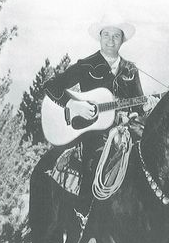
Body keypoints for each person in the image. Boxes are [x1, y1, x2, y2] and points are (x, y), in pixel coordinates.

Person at [42, 13, 158, 199]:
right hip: (94, 134)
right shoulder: (86, 65)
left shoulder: (130, 70)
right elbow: (51, 86)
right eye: (106, 35)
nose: (111, 40)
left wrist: (146, 106)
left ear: (122, 40)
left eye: (116, 36)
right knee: (94, 163)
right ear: (100, 37)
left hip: (125, 130)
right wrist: (73, 105)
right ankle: (85, 213)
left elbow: (137, 106)